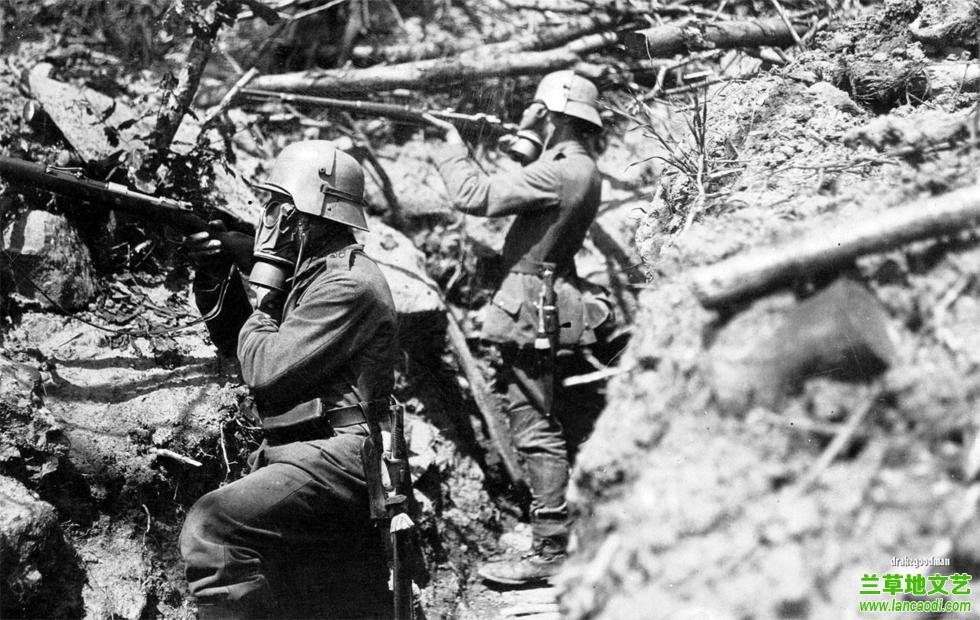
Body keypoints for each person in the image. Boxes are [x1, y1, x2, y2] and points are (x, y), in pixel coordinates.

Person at [179, 140, 399, 619]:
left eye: (278, 207)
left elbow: (264, 371)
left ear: (307, 218)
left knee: (212, 528)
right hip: (301, 449)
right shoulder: (313, 277)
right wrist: (216, 275)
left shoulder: (348, 285)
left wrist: (265, 289)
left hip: (340, 456)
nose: (268, 220)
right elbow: (240, 349)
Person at [425, 70, 614, 586]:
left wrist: (451, 146)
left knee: (534, 426)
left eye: (539, 112)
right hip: (549, 302)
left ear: (552, 114)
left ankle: (550, 547)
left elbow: (474, 195)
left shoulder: (561, 171)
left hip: (530, 309)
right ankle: (563, 533)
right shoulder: (578, 167)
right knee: (548, 419)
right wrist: (530, 133)